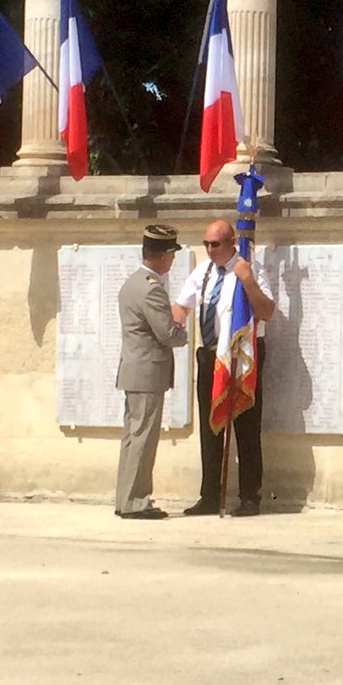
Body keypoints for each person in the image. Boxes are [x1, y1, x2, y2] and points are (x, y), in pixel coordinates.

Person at [173, 218, 275, 517]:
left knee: (246, 426)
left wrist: (247, 280)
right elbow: (181, 306)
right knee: (210, 426)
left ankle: (249, 496)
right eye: (205, 243)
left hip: (243, 354)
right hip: (210, 355)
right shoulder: (203, 272)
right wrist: (169, 324)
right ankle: (210, 495)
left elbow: (266, 311)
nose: (209, 249)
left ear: (232, 242)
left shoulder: (249, 268)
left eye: (214, 244)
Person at [114, 224, 189, 519]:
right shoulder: (152, 289)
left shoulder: (133, 282)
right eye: (171, 255)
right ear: (163, 256)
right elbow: (168, 334)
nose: (171, 262)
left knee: (133, 437)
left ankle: (126, 499)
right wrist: (181, 325)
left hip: (134, 371)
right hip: (147, 373)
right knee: (143, 438)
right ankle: (136, 501)